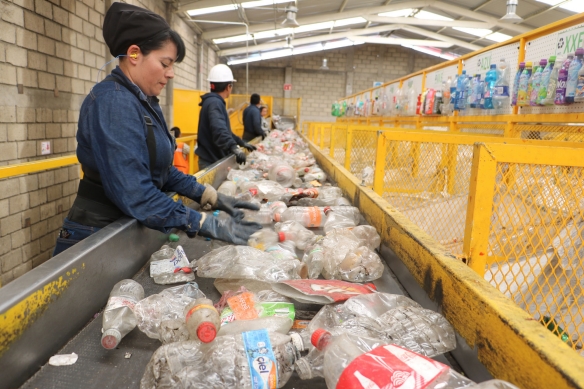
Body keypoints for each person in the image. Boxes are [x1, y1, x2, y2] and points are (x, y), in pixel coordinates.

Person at [53, 3, 261, 256]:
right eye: (165, 63)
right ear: (133, 54)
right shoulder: (113, 102)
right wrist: (201, 222)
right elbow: (135, 192)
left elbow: (161, 171)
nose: (171, 74)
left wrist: (207, 194)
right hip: (94, 236)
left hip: (124, 227)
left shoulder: (143, 102)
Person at [195, 64, 256, 169]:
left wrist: (240, 143)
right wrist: (233, 147)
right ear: (228, 87)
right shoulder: (215, 103)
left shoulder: (212, 102)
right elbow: (219, 129)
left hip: (212, 160)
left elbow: (225, 131)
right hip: (211, 162)